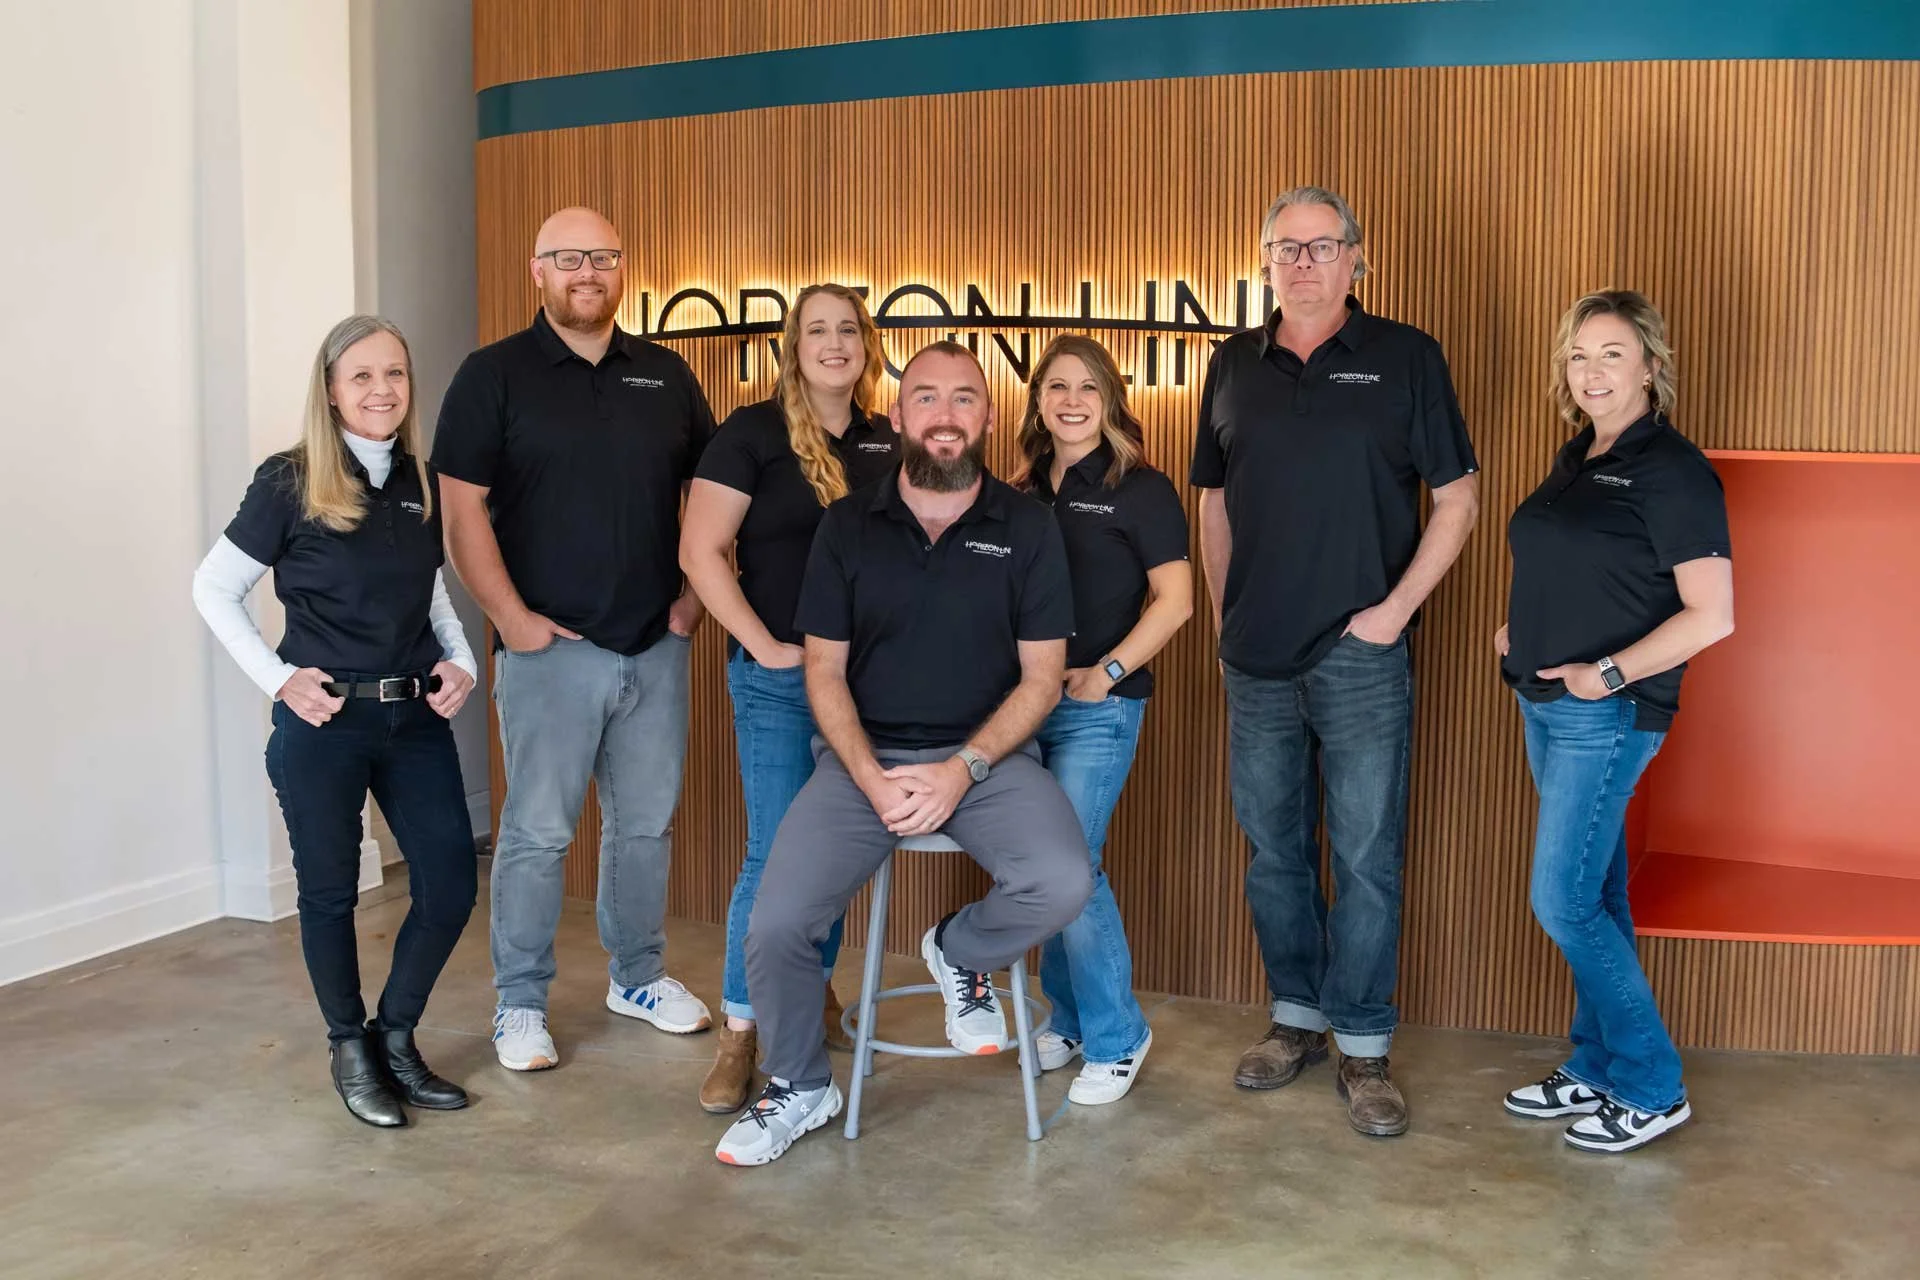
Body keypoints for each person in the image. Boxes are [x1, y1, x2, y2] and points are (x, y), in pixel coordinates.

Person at [714, 342, 1094, 1166]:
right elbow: (823, 668)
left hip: (987, 763)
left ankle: (958, 950)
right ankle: (800, 1086)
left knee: (1064, 882)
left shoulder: (1026, 526)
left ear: (988, 417)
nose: (946, 417)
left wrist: (963, 770)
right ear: (899, 416)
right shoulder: (849, 524)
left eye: (964, 399)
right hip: (862, 763)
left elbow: (1040, 681)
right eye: (927, 398)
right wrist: (867, 775)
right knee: (777, 923)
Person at [1190, 185, 1481, 1137]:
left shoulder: (1406, 357)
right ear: (1265, 261)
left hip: (1361, 656)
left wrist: (1392, 614)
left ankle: (1362, 1046)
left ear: (1358, 257)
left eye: (1323, 247)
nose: (1304, 263)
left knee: (1364, 857)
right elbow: (1213, 500)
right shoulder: (1232, 362)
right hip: (1256, 657)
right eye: (1286, 248)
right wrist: (1227, 614)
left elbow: (1459, 499)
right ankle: (1298, 1020)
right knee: (1275, 854)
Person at [433, 206, 717, 1073]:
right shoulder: (494, 376)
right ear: (538, 269)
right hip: (550, 651)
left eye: (602, 257)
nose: (586, 271)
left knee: (643, 829)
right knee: (538, 834)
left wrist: (692, 606)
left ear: (622, 267)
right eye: (568, 258)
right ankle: (519, 1002)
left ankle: (636, 977)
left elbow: (715, 501)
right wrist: (514, 624)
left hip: (654, 647)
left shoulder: (666, 376)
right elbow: (460, 511)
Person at [192, 315, 479, 1128]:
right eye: (362, 376)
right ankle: (348, 1045)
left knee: (451, 883)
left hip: (413, 718)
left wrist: (459, 661)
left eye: (395, 374)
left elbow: (427, 595)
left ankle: (396, 1036)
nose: (382, 389)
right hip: (324, 727)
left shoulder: (418, 481)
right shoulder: (288, 480)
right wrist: (280, 682)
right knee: (328, 893)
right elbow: (213, 588)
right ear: (329, 389)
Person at [1497, 289, 1734, 1154]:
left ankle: (1652, 1083)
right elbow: (1582, 566)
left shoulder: (1671, 469)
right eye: (1578, 355)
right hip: (1548, 704)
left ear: (1651, 366)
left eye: (1610, 353)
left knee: (1560, 899)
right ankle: (1596, 1065)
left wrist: (1606, 671)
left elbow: (1712, 614)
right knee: (1595, 892)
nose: (1591, 370)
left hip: (1609, 711)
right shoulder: (1580, 456)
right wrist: (1522, 625)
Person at [679, 283, 899, 1113]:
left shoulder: (885, 443)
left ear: (866, 345)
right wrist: (763, 643)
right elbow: (701, 551)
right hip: (778, 685)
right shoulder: (751, 435)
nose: (834, 343)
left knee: (832, 856)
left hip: (860, 692)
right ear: (793, 346)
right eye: (818, 330)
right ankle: (743, 1029)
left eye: (848, 329)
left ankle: (808, 995)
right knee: (776, 855)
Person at [1011, 335, 1192, 1105]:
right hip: (1026, 708)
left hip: (1098, 708)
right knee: (1049, 867)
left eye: (1087, 388)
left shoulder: (1140, 487)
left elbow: (1177, 601)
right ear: (1038, 401)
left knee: (1072, 865)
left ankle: (1119, 1036)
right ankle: (1073, 1019)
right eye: (1057, 387)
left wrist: (1108, 672)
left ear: (1111, 398)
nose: (1072, 401)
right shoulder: (1018, 491)